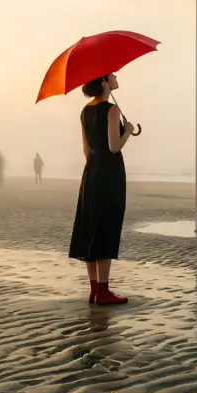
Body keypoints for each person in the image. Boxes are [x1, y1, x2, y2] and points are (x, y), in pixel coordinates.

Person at [68, 73, 136, 305]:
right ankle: (104, 292)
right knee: (106, 225)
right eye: (112, 75)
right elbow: (114, 147)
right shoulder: (111, 110)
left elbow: (87, 151)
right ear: (105, 82)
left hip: (91, 172)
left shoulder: (85, 111)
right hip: (109, 174)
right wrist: (127, 130)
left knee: (90, 225)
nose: (117, 76)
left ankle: (95, 290)